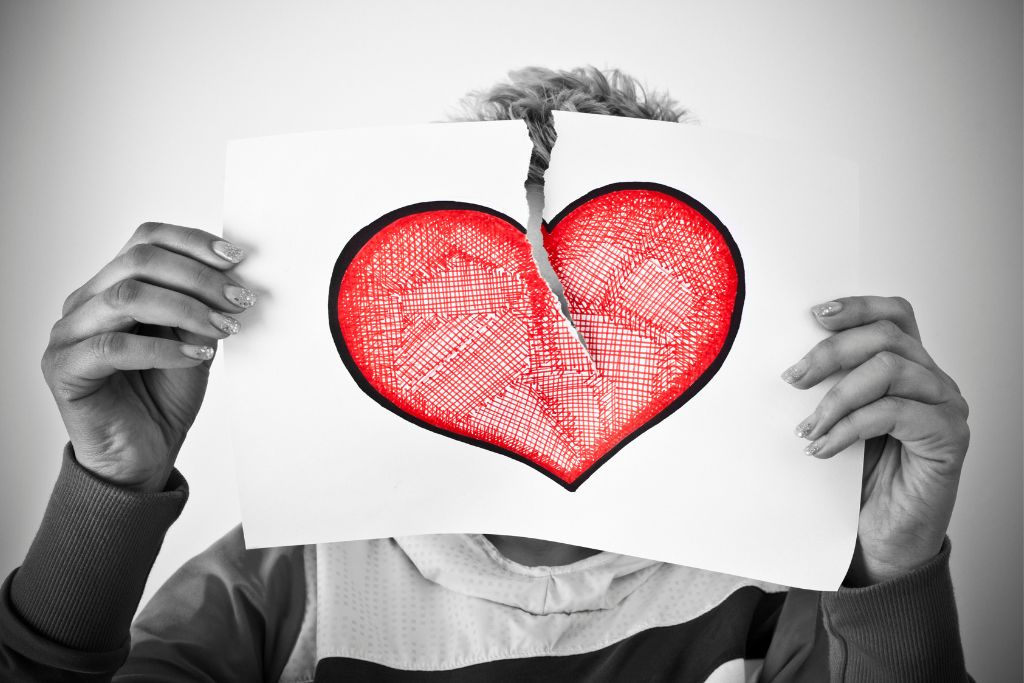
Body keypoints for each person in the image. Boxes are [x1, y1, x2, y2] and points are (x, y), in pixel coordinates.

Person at [0, 67, 973, 682]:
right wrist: (111, 484)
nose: (552, 349)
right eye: (492, 298)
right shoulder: (289, 578)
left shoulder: (779, 580)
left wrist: (892, 568)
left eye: (618, 304)